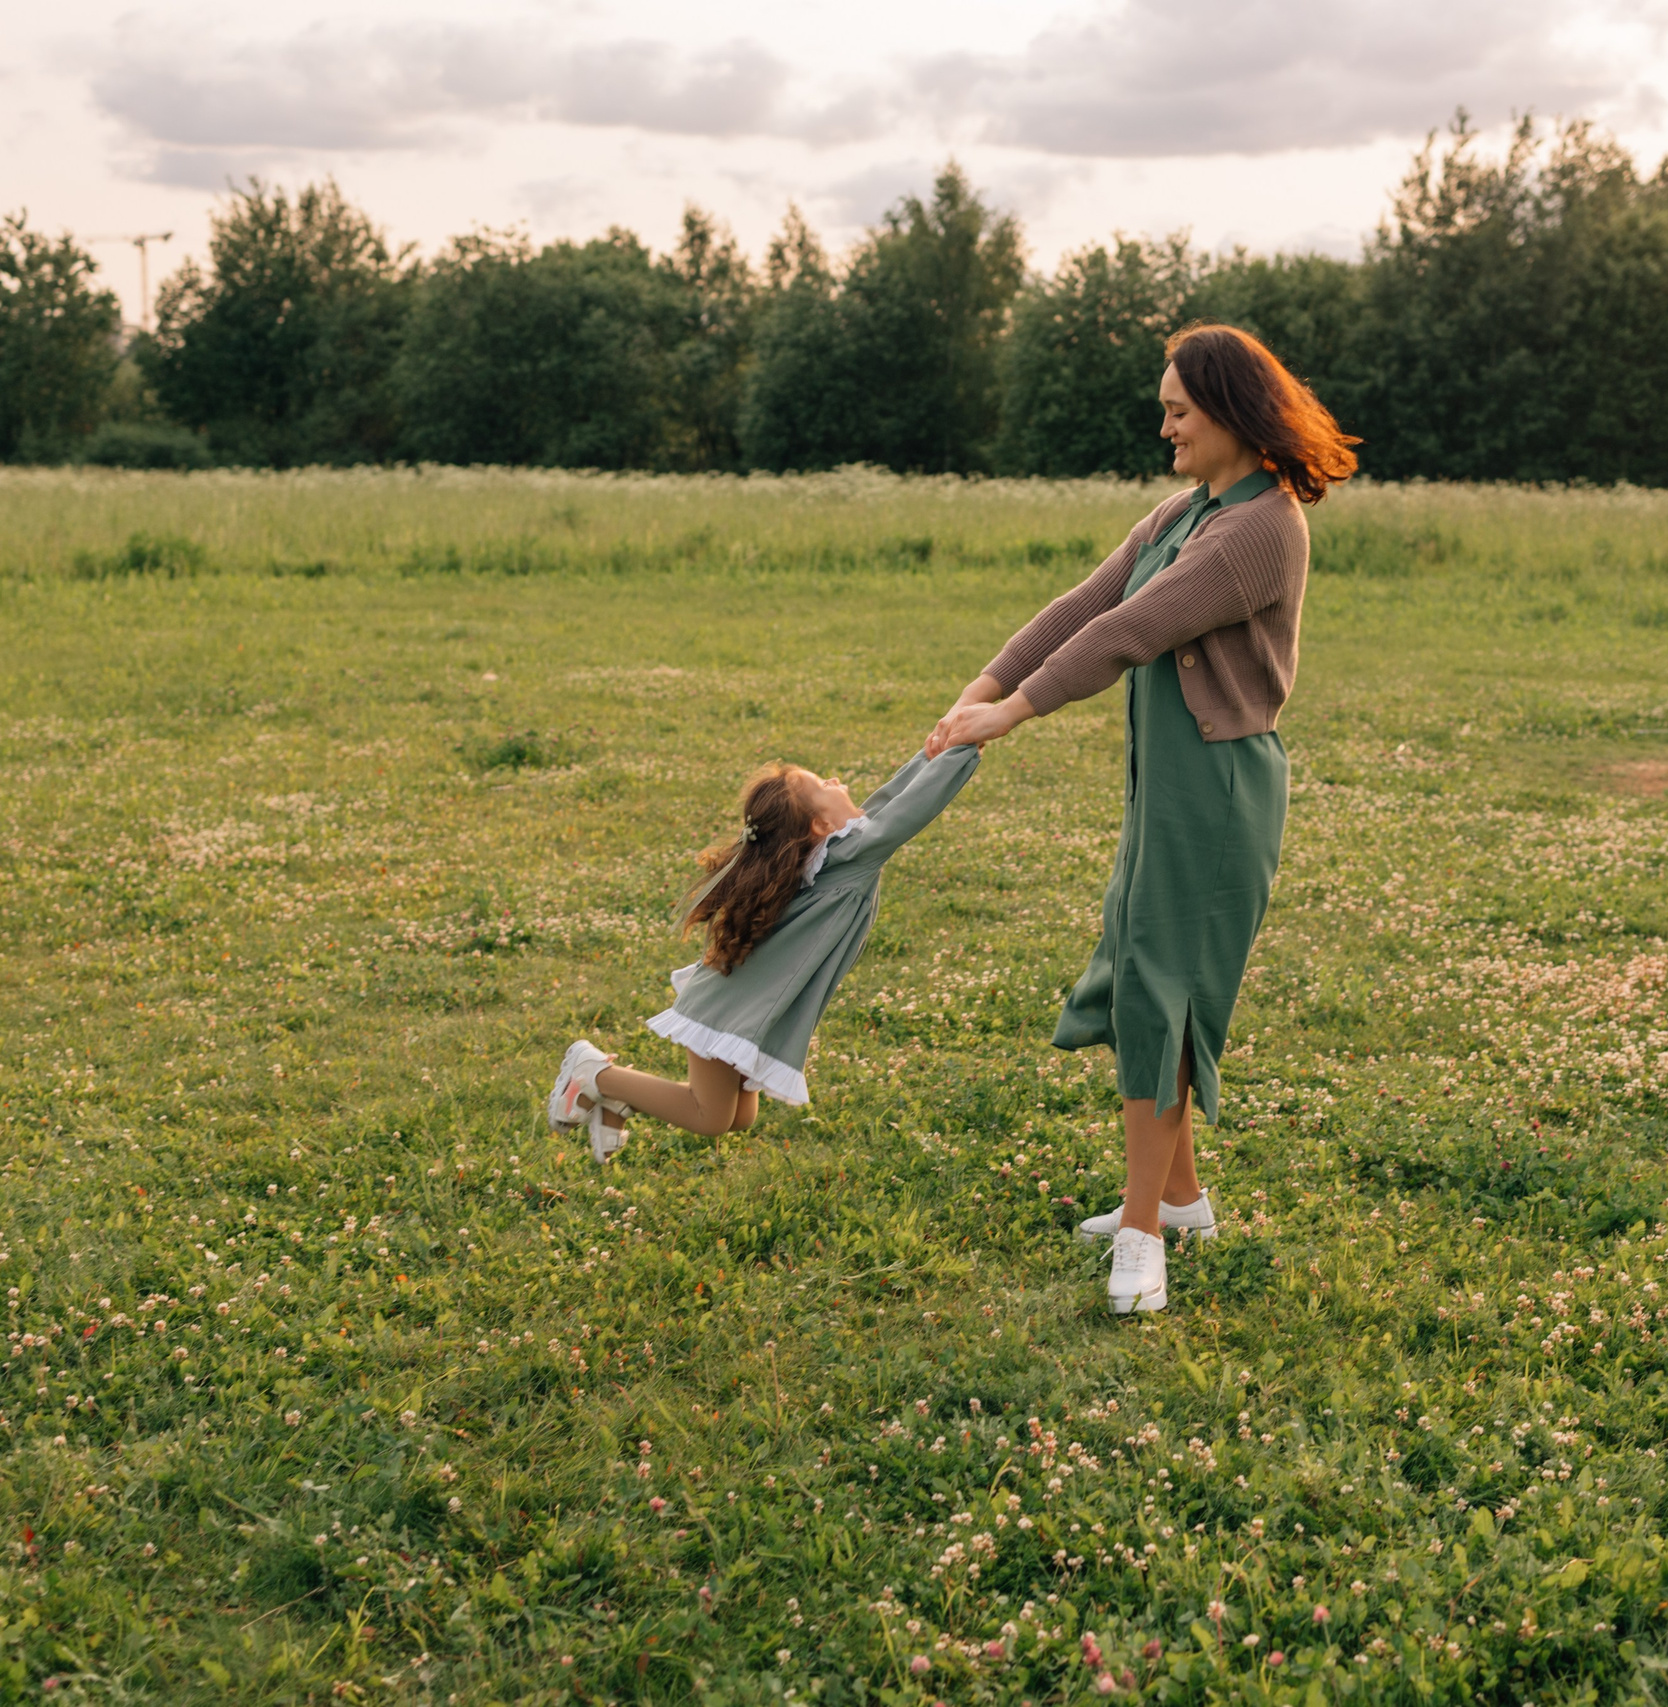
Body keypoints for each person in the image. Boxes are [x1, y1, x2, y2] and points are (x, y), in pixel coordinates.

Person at [925, 323, 1358, 1314]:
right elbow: (1086, 601)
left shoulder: (1261, 527)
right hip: (1164, 786)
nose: (1163, 427)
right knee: (1138, 971)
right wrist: (981, 688)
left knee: (1162, 991)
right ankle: (1182, 1200)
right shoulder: (1186, 510)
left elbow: (1134, 629)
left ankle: (1140, 1230)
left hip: (1216, 793)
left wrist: (1017, 711)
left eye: (1178, 411)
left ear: (1232, 414)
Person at [548, 745, 981, 1162]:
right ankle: (594, 1072)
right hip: (728, 1009)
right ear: (820, 825)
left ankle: (614, 1098)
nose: (834, 780)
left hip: (744, 1005)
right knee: (711, 1117)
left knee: (740, 1117)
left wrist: (932, 753)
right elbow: (907, 812)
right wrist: (962, 751)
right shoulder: (851, 855)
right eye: (823, 784)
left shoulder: (836, 850)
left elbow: (888, 804)